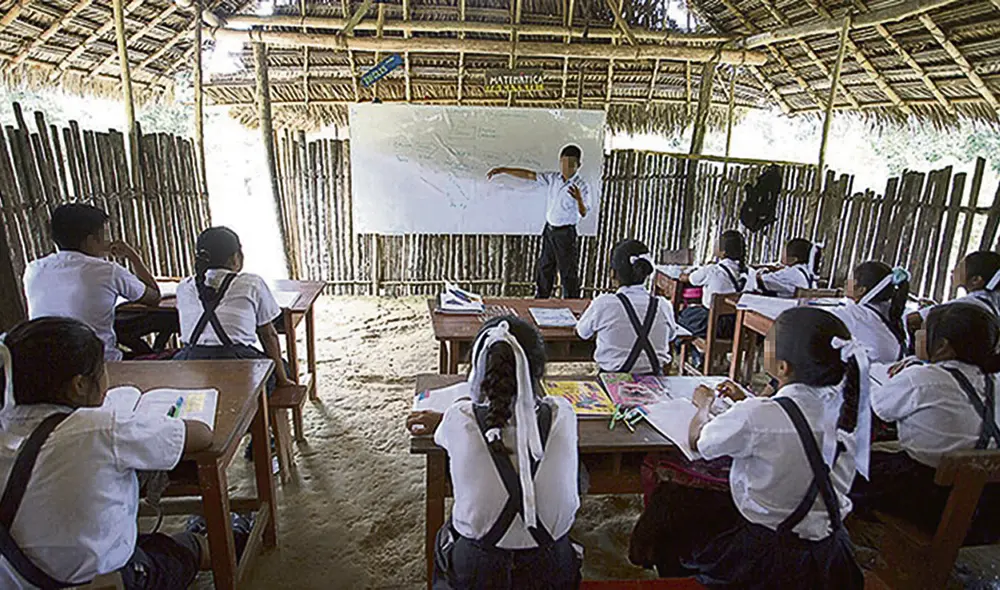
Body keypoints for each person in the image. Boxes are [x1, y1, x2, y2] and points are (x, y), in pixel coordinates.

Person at [630, 307, 866, 589]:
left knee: (670, 503)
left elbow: (700, 441)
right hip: (830, 553)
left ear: (782, 367)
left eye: (768, 342)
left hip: (768, 556)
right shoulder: (849, 411)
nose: (765, 346)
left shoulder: (760, 415)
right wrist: (747, 400)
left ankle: (675, 576)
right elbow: (790, 424)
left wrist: (703, 403)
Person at [0, 317, 214, 589]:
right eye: (103, 368)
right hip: (101, 583)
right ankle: (227, 540)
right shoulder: (100, 429)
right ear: (79, 385)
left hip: (20, 579)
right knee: (184, 547)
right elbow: (202, 435)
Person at [406, 317, 582, 589]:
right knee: (580, 476)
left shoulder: (459, 418)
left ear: (480, 370)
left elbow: (462, 428)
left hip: (479, 566)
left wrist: (443, 418)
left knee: (447, 534)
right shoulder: (563, 415)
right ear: (538, 370)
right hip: (551, 567)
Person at [853, 302, 1000, 544]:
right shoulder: (994, 381)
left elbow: (879, 407)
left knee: (843, 464)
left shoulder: (922, 380)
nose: (918, 336)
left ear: (942, 346)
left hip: (931, 503)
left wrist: (909, 372)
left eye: (922, 331)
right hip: (990, 512)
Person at [22, 203, 161, 361]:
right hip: (98, 363)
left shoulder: (33, 269)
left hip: (49, 362)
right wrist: (132, 256)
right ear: (90, 240)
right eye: (104, 234)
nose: (108, 240)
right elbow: (154, 297)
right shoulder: (107, 271)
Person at [174, 227, 293, 393]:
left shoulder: (183, 287)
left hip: (192, 365)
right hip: (238, 363)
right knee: (281, 367)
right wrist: (283, 379)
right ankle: (266, 417)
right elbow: (269, 335)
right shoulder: (252, 283)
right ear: (236, 258)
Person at [487, 145, 591, 299]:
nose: (566, 167)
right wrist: (503, 170)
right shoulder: (553, 178)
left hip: (566, 233)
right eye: (563, 163)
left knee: (567, 271)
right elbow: (529, 175)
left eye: (571, 164)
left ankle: (572, 302)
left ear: (578, 165)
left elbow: (584, 213)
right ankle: (541, 299)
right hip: (550, 230)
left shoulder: (582, 185)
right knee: (545, 267)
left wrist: (579, 199)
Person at [576, 239, 677, 375]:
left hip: (611, 385)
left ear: (612, 273)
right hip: (655, 386)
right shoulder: (663, 306)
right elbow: (671, 336)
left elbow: (582, 333)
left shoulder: (604, 304)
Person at [906, 251, 1000, 338]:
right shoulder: (991, 302)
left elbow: (913, 320)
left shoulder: (969, 304)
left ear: (976, 280)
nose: (953, 271)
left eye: (959, 268)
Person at [832, 261, 910, 364]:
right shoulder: (891, 313)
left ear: (861, 290)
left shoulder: (855, 314)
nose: (846, 282)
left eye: (851, 279)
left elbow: (818, 319)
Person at [677, 230, 749, 338]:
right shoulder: (746, 272)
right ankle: (698, 352)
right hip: (734, 326)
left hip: (712, 324)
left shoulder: (712, 270)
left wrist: (684, 274)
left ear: (723, 252)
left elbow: (687, 278)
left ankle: (696, 352)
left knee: (681, 318)